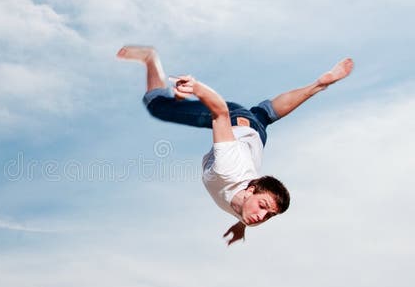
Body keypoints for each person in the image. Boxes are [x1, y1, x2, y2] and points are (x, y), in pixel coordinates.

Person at [117, 46, 354, 245]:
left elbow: (251, 208)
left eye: (268, 215)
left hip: (255, 133)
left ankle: (319, 85)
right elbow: (219, 112)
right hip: (233, 119)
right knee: (157, 106)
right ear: (250, 189)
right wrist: (197, 88)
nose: (261, 217)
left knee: (266, 114)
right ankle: (150, 57)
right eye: (263, 207)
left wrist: (241, 227)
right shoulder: (228, 168)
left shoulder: (248, 207)